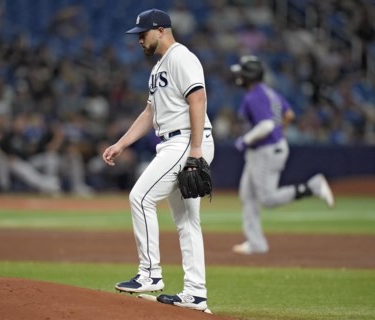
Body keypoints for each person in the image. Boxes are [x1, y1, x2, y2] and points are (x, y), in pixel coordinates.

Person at [102, 9, 214, 313]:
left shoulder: (181, 57)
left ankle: (150, 273)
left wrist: (195, 149)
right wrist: (122, 143)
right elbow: (150, 113)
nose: (139, 39)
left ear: (161, 30)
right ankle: (195, 293)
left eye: (143, 33)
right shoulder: (158, 68)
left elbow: (198, 98)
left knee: (140, 198)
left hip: (186, 140)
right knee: (188, 222)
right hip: (178, 141)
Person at [231, 55, 335, 255]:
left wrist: (246, 140)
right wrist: (280, 133)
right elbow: (289, 115)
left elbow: (267, 125)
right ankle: (256, 243)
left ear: (249, 75)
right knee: (247, 194)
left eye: (242, 72)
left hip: (265, 151)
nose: (239, 76)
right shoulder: (270, 93)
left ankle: (312, 187)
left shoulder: (253, 96)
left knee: (267, 199)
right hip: (270, 148)